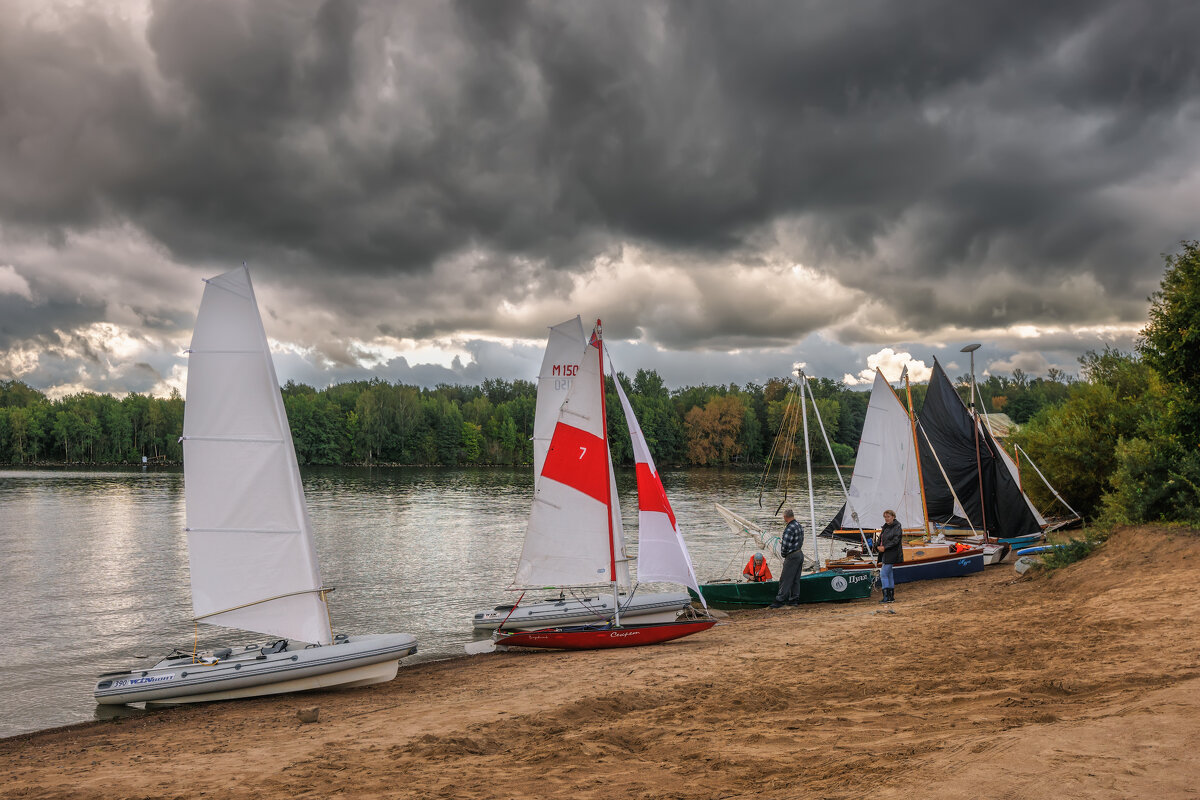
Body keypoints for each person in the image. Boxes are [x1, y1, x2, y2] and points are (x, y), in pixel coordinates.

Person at [769, 510, 805, 608]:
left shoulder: (789, 528)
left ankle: (779, 600)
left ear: (785, 517)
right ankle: (794, 600)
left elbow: (785, 545)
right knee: (796, 579)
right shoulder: (799, 526)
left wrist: (784, 554)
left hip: (792, 556)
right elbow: (801, 540)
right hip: (799, 553)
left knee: (785, 579)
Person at [876, 509, 904, 603]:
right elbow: (881, 539)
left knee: (883, 574)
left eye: (888, 517)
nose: (886, 519)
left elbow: (896, 540)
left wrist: (885, 547)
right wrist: (877, 546)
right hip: (885, 553)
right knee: (889, 574)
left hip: (892, 552)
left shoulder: (897, 526)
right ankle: (891, 597)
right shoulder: (885, 527)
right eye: (885, 517)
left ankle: (886, 597)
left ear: (893, 517)